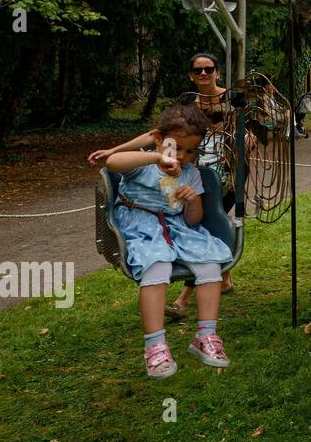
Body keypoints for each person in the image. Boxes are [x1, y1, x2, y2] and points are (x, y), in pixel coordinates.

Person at [88, 52, 239, 312]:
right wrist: (115, 150)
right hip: (184, 166)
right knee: (177, 214)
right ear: (191, 75)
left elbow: (248, 129)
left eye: (209, 69)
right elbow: (154, 135)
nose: (203, 74)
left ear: (217, 72)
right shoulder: (188, 105)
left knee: (206, 222)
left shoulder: (232, 100)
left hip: (216, 167)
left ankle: (200, 288)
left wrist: (244, 141)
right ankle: (195, 288)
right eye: (198, 70)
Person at [99, 104, 232, 378]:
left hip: (178, 227)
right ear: (158, 139)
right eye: (175, 148)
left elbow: (194, 220)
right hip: (141, 225)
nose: (182, 156)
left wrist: (193, 200)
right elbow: (112, 164)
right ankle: (156, 346)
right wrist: (155, 158)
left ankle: (205, 336)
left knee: (209, 265)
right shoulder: (142, 164)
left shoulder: (191, 174)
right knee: (156, 265)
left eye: (190, 151)